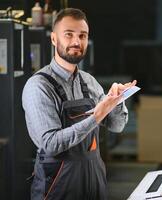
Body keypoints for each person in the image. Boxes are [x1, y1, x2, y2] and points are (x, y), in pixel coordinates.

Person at [22, 8, 136, 200]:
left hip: (93, 181)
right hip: (58, 186)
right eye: (69, 35)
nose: (77, 42)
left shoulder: (89, 81)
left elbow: (116, 126)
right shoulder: (39, 86)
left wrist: (117, 100)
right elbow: (51, 144)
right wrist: (96, 116)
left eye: (82, 36)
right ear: (53, 39)